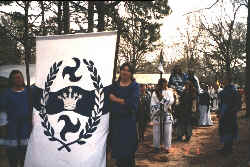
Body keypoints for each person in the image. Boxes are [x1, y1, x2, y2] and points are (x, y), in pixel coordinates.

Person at [109, 63, 140, 167]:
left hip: (128, 123)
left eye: (128, 70)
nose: (125, 72)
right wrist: (122, 102)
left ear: (131, 73)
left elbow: (132, 103)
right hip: (116, 123)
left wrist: (115, 99)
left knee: (128, 153)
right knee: (118, 152)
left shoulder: (135, 86)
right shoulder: (114, 86)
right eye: (123, 69)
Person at [0, 70, 32, 167]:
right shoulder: (6, 94)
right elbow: (2, 116)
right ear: (11, 80)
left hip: (26, 130)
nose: (17, 80)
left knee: (25, 160)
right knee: (13, 160)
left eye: (19, 77)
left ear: (23, 78)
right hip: (11, 131)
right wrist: (2, 137)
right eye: (14, 78)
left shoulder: (30, 92)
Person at [218, 73, 241, 156]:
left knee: (229, 130)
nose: (223, 80)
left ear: (227, 80)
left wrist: (232, 111)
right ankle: (226, 147)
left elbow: (238, 104)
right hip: (225, 113)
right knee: (225, 130)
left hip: (229, 114)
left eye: (224, 79)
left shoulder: (233, 90)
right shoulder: (225, 90)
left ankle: (228, 149)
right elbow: (221, 103)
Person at [151, 78, 175, 153]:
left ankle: (167, 147)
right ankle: (156, 146)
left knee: (167, 131)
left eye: (166, 83)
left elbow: (171, 101)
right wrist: (158, 110)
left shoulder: (169, 92)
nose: (165, 84)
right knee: (156, 130)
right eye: (163, 83)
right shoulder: (155, 93)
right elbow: (152, 104)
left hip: (167, 112)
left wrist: (162, 99)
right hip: (157, 114)